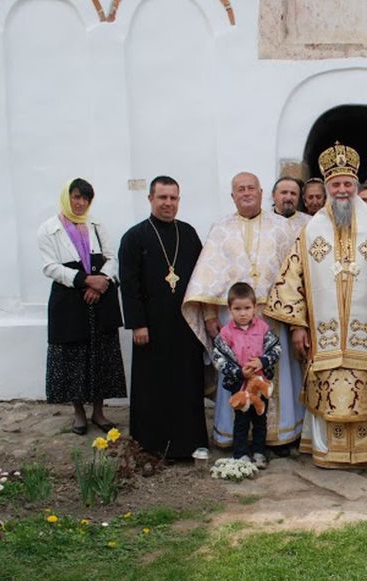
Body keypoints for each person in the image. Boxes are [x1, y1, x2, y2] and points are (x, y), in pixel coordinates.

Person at [265, 142, 367, 468]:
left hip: (365, 338)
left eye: (347, 184)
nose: (342, 190)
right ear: (327, 188)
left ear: (355, 187)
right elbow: (291, 279)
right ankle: (328, 452)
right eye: (336, 185)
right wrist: (298, 326)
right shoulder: (311, 229)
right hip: (324, 337)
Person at [182, 172, 302, 456]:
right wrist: (210, 315)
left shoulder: (282, 228)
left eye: (251, 188)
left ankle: (277, 436)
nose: (246, 193)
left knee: (275, 373)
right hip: (231, 317)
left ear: (262, 193)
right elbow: (207, 277)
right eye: (240, 189)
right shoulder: (220, 229)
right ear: (232, 196)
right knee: (235, 373)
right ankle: (234, 437)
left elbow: (296, 275)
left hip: (272, 315)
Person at [118, 176, 207, 459]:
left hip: (184, 324)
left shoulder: (189, 233)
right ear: (150, 199)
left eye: (173, 198)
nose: (168, 203)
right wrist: (137, 323)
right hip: (151, 325)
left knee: (186, 383)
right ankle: (151, 444)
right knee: (152, 385)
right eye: (163, 198)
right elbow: (129, 285)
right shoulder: (134, 237)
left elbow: (202, 278)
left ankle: (188, 442)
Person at [37, 179, 124, 435]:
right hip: (69, 300)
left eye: (86, 198)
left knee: (101, 355)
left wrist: (100, 283)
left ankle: (99, 411)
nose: (80, 202)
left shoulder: (95, 226)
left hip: (99, 298)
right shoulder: (48, 229)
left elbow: (111, 257)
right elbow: (49, 266)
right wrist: (85, 280)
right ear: (67, 197)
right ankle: (78, 413)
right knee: (73, 357)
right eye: (76, 197)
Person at [212, 282, 282, 469]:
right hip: (240, 385)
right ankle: (241, 453)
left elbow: (276, 349)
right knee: (241, 420)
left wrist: (262, 361)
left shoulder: (263, 329)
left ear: (255, 308)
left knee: (260, 418)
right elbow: (218, 358)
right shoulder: (225, 334)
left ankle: (259, 452)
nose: (242, 313)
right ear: (229, 309)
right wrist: (238, 372)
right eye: (237, 309)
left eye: (247, 308)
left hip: (260, 384)